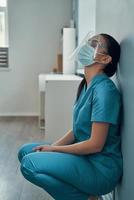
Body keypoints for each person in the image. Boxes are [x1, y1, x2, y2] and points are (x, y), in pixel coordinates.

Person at [17, 33, 123, 200]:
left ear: (105, 59)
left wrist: (54, 149)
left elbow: (95, 145)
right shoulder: (87, 85)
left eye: (94, 44)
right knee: (25, 152)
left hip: (100, 169)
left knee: (29, 164)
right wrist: (51, 149)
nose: (87, 46)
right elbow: (76, 130)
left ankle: (88, 198)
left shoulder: (105, 91)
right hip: (85, 159)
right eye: (88, 42)